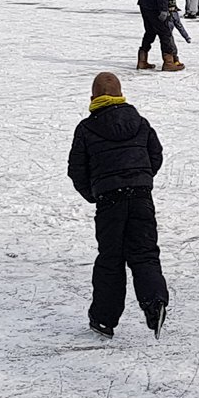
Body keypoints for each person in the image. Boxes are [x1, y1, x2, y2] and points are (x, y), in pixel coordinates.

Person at [68, 71, 170, 338]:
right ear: (120, 93)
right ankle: (155, 301)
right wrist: (142, 179)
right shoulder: (140, 123)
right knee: (145, 252)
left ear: (93, 98)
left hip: (109, 201)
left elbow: (76, 169)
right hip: (140, 198)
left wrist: (94, 193)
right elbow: (155, 155)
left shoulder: (86, 129)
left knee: (110, 259)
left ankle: (104, 319)